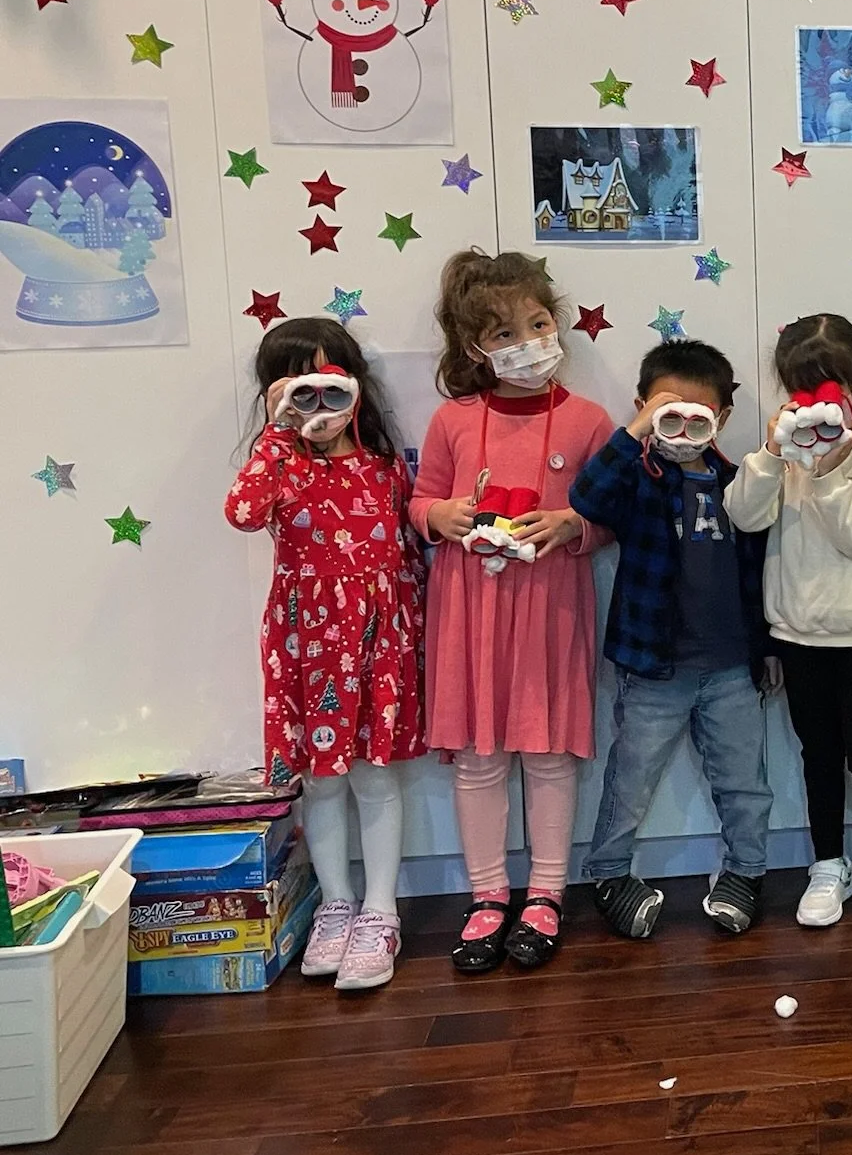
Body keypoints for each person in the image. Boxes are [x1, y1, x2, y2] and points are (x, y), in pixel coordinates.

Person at [410, 250, 613, 974]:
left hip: (551, 609)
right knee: (479, 756)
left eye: (537, 324)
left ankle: (548, 891)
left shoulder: (588, 420)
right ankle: (488, 892)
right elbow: (420, 501)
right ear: (476, 349)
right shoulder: (453, 420)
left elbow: (613, 513)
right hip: (471, 611)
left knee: (550, 752)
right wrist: (440, 515)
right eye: (504, 334)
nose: (527, 343)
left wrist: (574, 524)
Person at [224, 317, 425, 991]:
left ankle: (380, 910)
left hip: (377, 642)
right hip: (307, 646)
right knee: (321, 780)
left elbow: (407, 557)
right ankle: (336, 904)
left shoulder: (384, 467)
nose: (317, 402)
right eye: (296, 387)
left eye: (329, 383)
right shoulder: (280, 465)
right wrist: (277, 433)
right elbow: (242, 514)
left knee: (374, 775)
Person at [569, 339, 775, 938]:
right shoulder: (639, 480)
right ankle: (609, 873)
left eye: (698, 417)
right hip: (653, 666)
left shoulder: (739, 483)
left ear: (722, 419)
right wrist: (636, 432)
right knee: (630, 778)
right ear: (644, 410)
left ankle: (746, 871)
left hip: (732, 666)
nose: (683, 430)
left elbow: (758, 572)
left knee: (745, 782)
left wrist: (767, 649)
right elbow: (586, 498)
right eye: (668, 413)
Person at [726, 314, 852, 937]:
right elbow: (745, 518)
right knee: (819, 757)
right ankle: (829, 864)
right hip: (797, 634)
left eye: (827, 388)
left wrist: (829, 465)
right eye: (800, 390)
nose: (815, 404)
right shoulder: (784, 456)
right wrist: (772, 453)